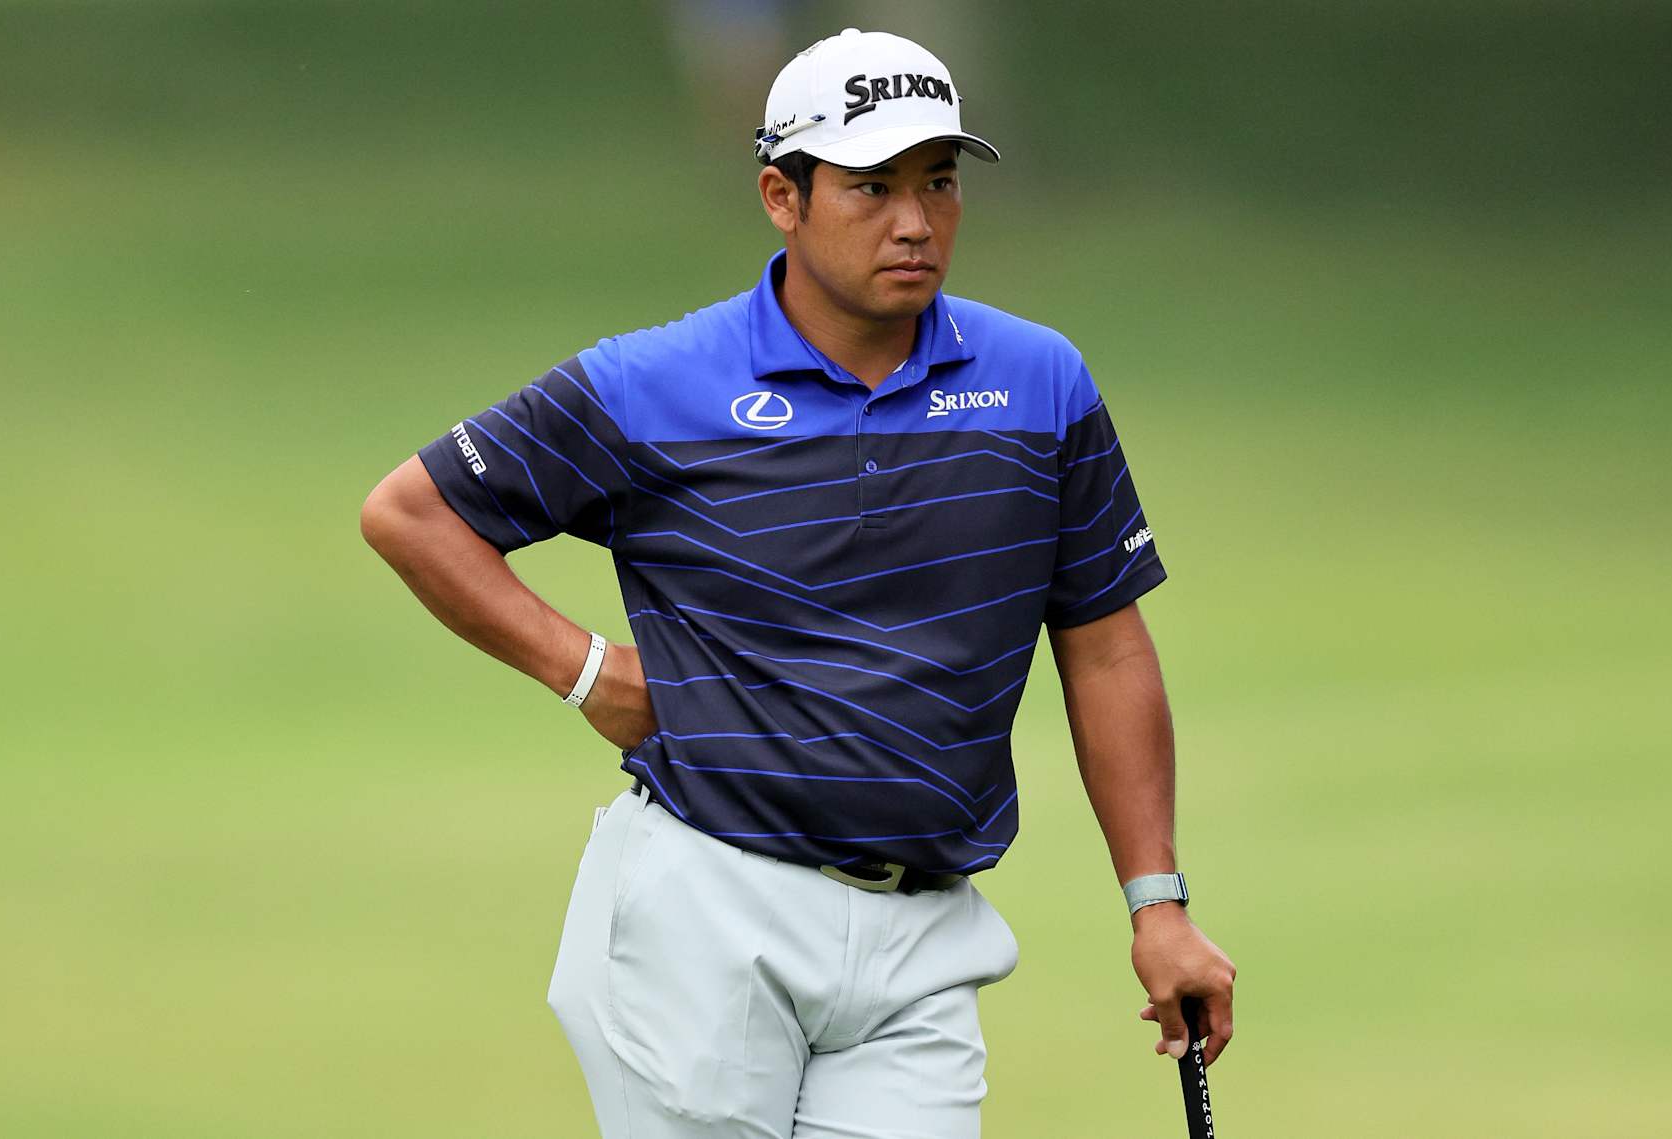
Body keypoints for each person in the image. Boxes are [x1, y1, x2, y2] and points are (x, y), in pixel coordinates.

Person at [359, 26, 1236, 1139]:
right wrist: (587, 673)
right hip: (703, 914)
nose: (916, 221)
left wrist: (1156, 903)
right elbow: (413, 511)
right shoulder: (658, 381)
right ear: (782, 195)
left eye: (939, 183)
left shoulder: (1041, 385)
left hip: (925, 933)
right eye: (871, 186)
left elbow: (1106, 643)